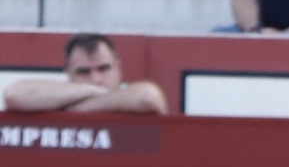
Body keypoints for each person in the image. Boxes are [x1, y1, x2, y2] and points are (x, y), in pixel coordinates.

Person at [3, 33, 167, 115]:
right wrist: (94, 93)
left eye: (104, 69)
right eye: (83, 72)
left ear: (118, 67)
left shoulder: (132, 93)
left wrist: (73, 109)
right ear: (68, 74)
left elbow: (149, 97)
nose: (95, 79)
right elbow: (14, 95)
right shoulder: (60, 96)